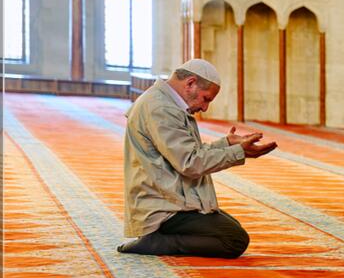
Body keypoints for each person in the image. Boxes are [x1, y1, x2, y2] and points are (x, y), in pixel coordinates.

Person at [118, 58, 277, 258]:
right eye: (206, 99)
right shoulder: (161, 109)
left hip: (167, 196)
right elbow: (190, 163)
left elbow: (189, 152)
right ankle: (157, 242)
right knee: (234, 239)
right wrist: (239, 152)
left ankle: (156, 237)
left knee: (230, 226)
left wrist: (227, 143)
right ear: (190, 83)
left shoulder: (163, 102)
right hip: (161, 205)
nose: (205, 108)